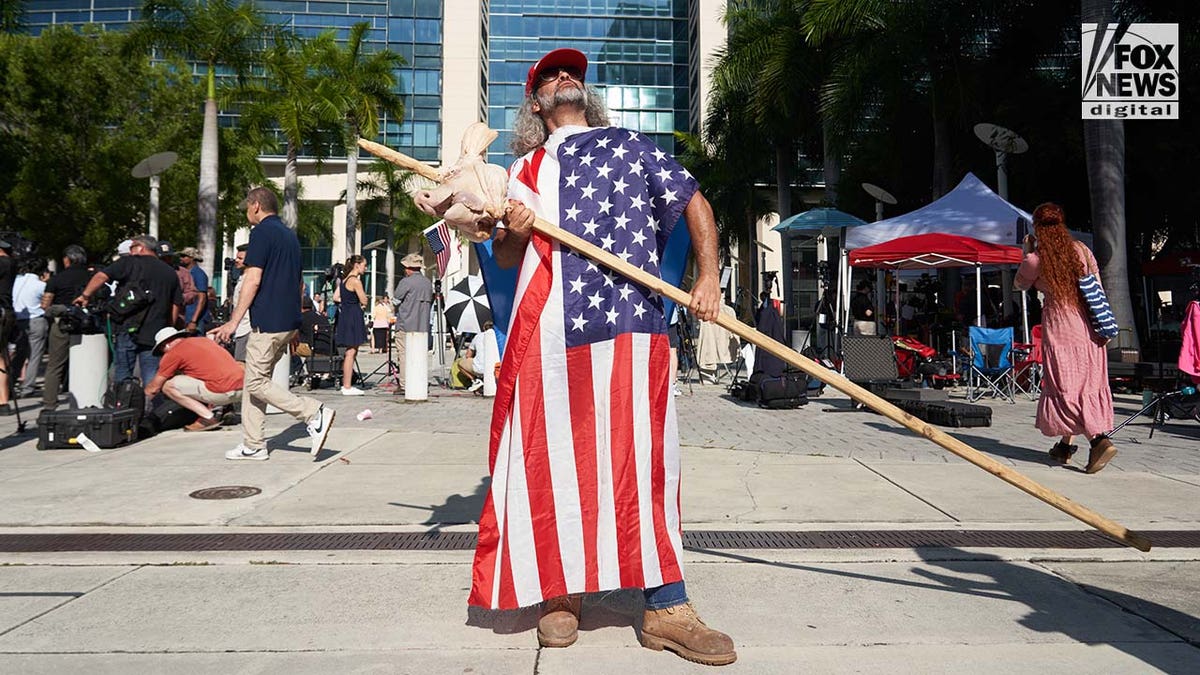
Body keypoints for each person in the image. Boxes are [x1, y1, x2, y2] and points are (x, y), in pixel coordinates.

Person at [476, 48, 734, 665]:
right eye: (550, 77)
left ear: (584, 93)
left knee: (643, 460)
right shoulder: (521, 171)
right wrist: (511, 226)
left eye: (573, 75)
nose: (565, 79)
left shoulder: (631, 145)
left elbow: (693, 201)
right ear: (534, 102)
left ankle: (667, 605)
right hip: (547, 331)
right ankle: (559, 594)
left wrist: (709, 278)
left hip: (631, 325)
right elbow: (509, 259)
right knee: (552, 457)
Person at [210, 186, 335, 461]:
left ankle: (313, 413)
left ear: (255, 205)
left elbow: (253, 279)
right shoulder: (289, 235)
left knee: (254, 383)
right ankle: (253, 444)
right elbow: (299, 283)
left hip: (267, 321)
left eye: (247, 207)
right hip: (287, 320)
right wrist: (294, 322)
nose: (246, 212)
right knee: (257, 380)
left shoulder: (261, 233)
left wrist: (233, 322)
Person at [1015, 203, 1116, 474]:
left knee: (1065, 384)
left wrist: (1027, 252)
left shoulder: (1037, 258)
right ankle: (1064, 446)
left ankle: (1098, 440)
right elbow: (1098, 289)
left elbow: (1020, 284)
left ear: (1037, 227)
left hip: (1060, 326)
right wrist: (1104, 327)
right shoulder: (1082, 250)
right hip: (1089, 325)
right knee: (1086, 383)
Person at [76, 235, 182, 384]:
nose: (130, 251)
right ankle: (150, 405)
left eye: (132, 247)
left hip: (127, 327)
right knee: (151, 376)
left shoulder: (129, 262)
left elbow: (101, 276)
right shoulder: (169, 272)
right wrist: (169, 327)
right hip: (155, 332)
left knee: (123, 374)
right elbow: (176, 304)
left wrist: (85, 295)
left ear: (140, 247)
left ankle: (123, 404)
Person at [143, 327, 243, 432]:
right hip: (243, 389)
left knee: (167, 385)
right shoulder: (204, 341)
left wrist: (141, 403)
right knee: (213, 375)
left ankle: (207, 418)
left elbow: (153, 388)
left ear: (165, 345)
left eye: (161, 350)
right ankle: (226, 410)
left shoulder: (173, 353)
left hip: (222, 391)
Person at [40, 245, 93, 412]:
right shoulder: (91, 277)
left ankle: (49, 404)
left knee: (55, 366)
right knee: (89, 363)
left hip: (62, 325)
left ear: (67, 260)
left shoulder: (57, 279)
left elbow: (45, 306)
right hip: (88, 325)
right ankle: (89, 399)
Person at [391, 252, 432, 392]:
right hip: (422, 326)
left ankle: (404, 384)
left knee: (403, 355)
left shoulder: (405, 282)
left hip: (405, 324)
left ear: (409, 268)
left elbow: (395, 301)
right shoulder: (428, 283)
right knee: (420, 356)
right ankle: (420, 381)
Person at [12, 257, 49, 397]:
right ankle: (27, 387)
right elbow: (47, 302)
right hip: (36, 319)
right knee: (34, 355)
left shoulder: (16, 281)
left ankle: (10, 382)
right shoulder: (41, 285)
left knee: (19, 354)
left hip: (19, 320)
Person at [333, 255, 368, 396]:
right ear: (357, 265)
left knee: (350, 350)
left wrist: (346, 301)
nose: (365, 268)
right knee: (351, 351)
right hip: (353, 315)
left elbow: (336, 297)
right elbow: (364, 299)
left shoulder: (344, 280)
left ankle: (347, 384)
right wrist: (360, 303)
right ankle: (347, 385)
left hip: (346, 314)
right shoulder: (355, 281)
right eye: (364, 265)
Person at [157, 241, 198, 330]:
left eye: (169, 257)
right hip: (155, 318)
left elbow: (193, 293)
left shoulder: (182, 272)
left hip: (177, 320)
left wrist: (178, 298)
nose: (166, 260)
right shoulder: (151, 272)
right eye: (163, 258)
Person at [451, 320, 491, 391]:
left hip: (479, 368)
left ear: (484, 328)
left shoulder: (478, 336)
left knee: (460, 363)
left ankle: (475, 380)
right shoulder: (499, 337)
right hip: (495, 367)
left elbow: (468, 355)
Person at [0, 241, 16, 414]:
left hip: (1, 310)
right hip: (7, 310)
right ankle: (3, 400)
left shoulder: (3, 263)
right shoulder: (11, 263)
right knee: (2, 355)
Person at [230, 244, 252, 361]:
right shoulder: (240, 277)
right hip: (239, 329)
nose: (236, 260)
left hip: (247, 329)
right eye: (236, 257)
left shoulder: (250, 280)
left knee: (241, 365)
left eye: (240, 258)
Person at [179, 246, 209, 333]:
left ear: (192, 258)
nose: (181, 258)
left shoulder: (199, 274)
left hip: (195, 319)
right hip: (184, 317)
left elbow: (202, 298)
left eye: (184, 256)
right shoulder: (184, 273)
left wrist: (193, 321)